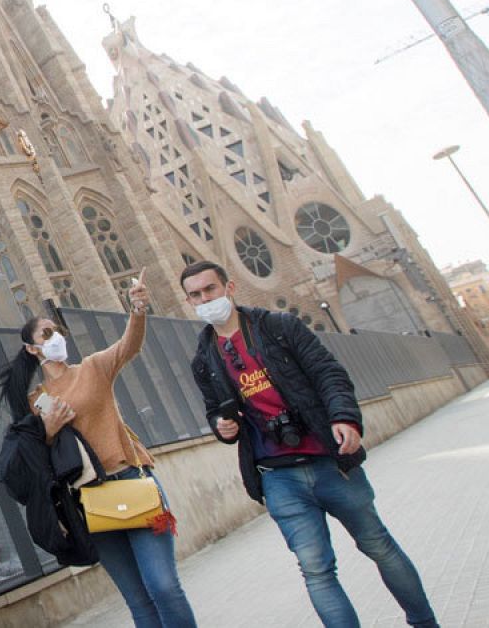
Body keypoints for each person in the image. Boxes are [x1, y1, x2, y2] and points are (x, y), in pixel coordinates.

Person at [181, 260, 437, 628]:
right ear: (189, 302)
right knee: (316, 571)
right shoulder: (204, 360)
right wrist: (220, 426)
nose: (205, 298)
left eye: (210, 289)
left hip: (329, 460)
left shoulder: (277, 327)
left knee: (379, 546)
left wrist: (345, 418)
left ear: (229, 287)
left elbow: (328, 372)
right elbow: (214, 412)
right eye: (196, 295)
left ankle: (425, 623)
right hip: (278, 477)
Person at [0, 272, 198, 628]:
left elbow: (128, 346)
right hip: (89, 503)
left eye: (57, 331)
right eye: (46, 334)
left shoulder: (92, 368)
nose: (56, 337)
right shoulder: (34, 403)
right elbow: (34, 463)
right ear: (32, 349)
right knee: (138, 600)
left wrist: (137, 309)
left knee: (163, 586)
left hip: (131, 480)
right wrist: (48, 432)